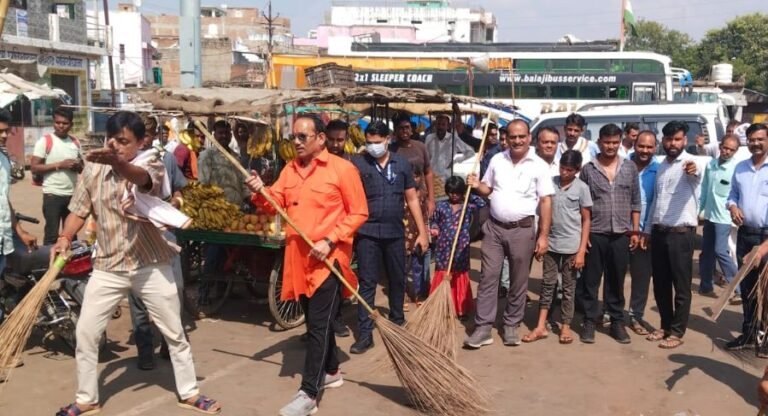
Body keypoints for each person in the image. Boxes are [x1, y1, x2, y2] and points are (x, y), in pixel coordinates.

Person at [52, 111, 221, 415]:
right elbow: (79, 208)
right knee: (87, 333)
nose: (115, 146)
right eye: (111, 139)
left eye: (123, 141)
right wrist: (65, 236)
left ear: (140, 142)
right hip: (108, 266)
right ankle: (86, 398)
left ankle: (190, 393)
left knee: (174, 332)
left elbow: (145, 182)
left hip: (150, 263)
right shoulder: (92, 168)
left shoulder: (150, 163)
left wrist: (118, 164)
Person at [245, 114, 368, 416]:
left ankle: (309, 393)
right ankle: (333, 371)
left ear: (321, 138)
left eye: (303, 137)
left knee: (316, 325)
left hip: (329, 260)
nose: (296, 142)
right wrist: (259, 190)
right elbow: (274, 202)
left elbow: (359, 213)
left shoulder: (343, 170)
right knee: (317, 322)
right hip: (298, 260)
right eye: (293, 137)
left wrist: (330, 239)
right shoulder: (290, 170)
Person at [464, 120, 554, 349]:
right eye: (512, 137)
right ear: (507, 138)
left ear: (529, 138)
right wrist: (476, 184)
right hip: (494, 228)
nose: (517, 141)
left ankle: (511, 324)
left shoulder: (539, 166)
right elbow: (488, 190)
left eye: (521, 136)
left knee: (518, 279)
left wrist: (543, 235)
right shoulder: (497, 160)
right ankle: (483, 327)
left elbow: (545, 201)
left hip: (523, 230)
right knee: (488, 277)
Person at [349, 120, 429, 355]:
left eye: (377, 142)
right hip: (367, 234)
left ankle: (397, 319)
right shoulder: (358, 164)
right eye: (369, 142)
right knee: (367, 282)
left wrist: (422, 232)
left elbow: (412, 198)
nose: (373, 147)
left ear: (388, 139)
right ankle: (364, 333)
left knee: (397, 278)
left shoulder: (401, 164)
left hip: (395, 232)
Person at [128, 114, 189, 370]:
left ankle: (168, 342)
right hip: (134, 234)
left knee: (176, 289)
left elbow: (178, 190)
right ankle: (144, 349)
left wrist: (174, 203)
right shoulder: (125, 162)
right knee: (137, 294)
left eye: (150, 134)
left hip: (164, 232)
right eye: (142, 134)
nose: (146, 140)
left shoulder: (167, 159)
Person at [577, 123, 641, 344]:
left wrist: (634, 230)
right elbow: (582, 205)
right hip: (596, 232)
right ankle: (588, 320)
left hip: (621, 233)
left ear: (620, 141)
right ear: (599, 142)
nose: (611, 146)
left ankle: (616, 321)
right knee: (591, 280)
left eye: (615, 142)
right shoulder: (588, 169)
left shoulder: (630, 167)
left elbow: (635, 200)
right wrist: (582, 238)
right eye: (607, 142)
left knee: (616, 279)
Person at [643, 120, 702, 349]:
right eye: (668, 139)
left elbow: (695, 174)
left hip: (681, 234)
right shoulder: (661, 166)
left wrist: (692, 170)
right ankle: (665, 325)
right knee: (660, 283)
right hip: (659, 232)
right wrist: (648, 230)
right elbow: (656, 201)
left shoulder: (691, 163)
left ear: (684, 140)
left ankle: (677, 332)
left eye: (677, 139)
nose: (672, 143)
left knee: (681, 285)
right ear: (663, 141)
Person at [522, 150, 591, 345]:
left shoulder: (582, 188)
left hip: (572, 246)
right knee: (547, 285)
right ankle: (541, 325)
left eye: (569, 169)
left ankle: (566, 325)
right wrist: (539, 239)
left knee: (569, 288)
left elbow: (586, 220)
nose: (565, 172)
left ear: (577, 170)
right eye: (562, 168)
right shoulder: (550, 183)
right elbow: (541, 213)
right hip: (551, 244)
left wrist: (581, 251)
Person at [0, 109, 38, 379]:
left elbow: (5, 201)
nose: (5, 136)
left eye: (6, 130)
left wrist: (19, 230)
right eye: (0, 131)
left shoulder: (3, 160)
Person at [725, 123, 768, 355]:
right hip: (746, 234)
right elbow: (732, 194)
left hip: (767, 237)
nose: (755, 143)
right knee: (748, 287)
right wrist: (732, 207)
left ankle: (767, 339)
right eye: (751, 139)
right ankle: (750, 333)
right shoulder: (741, 167)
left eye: (760, 139)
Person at [390, 116, 435, 308]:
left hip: (421, 203)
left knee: (421, 250)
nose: (404, 131)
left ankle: (421, 291)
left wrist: (432, 198)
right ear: (395, 130)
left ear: (412, 129)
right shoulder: (391, 149)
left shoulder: (420, 147)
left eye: (407, 127)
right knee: (403, 251)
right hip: (401, 205)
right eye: (400, 128)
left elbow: (428, 172)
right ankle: (404, 292)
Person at [30, 107, 83, 245]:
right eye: (57, 122)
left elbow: (82, 167)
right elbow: (34, 167)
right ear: (53, 122)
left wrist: (78, 166)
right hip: (52, 195)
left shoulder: (75, 142)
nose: (60, 126)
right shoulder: (45, 141)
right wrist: (60, 164)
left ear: (71, 124)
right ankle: (49, 265)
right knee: (51, 236)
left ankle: (71, 265)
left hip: (72, 196)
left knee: (71, 235)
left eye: (64, 123)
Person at [429, 176, 478, 320]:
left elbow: (482, 203)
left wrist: (471, 189)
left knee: (459, 275)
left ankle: (460, 309)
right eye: (450, 192)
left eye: (457, 192)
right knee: (443, 273)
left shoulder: (468, 206)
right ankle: (441, 306)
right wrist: (434, 228)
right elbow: (434, 221)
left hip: (461, 247)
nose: (453, 195)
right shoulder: (441, 206)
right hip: (444, 246)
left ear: (462, 192)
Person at [698, 134, 740, 300]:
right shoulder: (711, 165)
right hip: (709, 215)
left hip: (724, 217)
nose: (727, 152)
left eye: (731, 150)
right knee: (706, 252)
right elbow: (704, 188)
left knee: (720, 251)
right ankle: (705, 286)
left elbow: (737, 194)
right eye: (725, 148)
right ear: (720, 146)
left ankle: (738, 289)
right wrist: (698, 211)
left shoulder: (735, 169)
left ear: (735, 151)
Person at [627, 131, 659, 336]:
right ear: (634, 145)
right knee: (613, 275)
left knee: (641, 277)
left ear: (655, 148)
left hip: (645, 233)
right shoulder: (623, 165)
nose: (645, 150)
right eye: (641, 146)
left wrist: (645, 231)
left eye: (649, 147)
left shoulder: (659, 170)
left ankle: (635, 315)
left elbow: (657, 203)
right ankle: (609, 312)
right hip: (620, 230)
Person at [425, 114, 475, 180]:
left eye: (443, 124)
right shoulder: (429, 138)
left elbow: (470, 152)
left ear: (448, 126)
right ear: (435, 125)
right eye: (438, 124)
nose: (440, 127)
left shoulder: (453, 139)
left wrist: (456, 160)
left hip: (446, 176)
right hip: (432, 175)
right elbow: (425, 155)